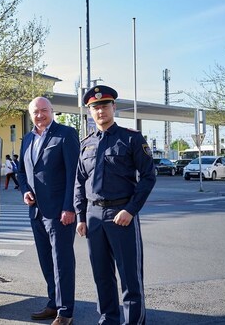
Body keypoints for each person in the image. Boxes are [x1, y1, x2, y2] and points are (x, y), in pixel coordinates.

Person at [73, 85, 156, 325]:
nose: (100, 111)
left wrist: (130, 210)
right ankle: (108, 319)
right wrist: (80, 216)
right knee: (102, 275)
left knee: (130, 276)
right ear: (90, 112)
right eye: (95, 107)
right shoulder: (86, 143)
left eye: (104, 106)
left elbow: (149, 176)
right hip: (93, 215)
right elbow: (79, 182)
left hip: (121, 213)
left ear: (113, 108)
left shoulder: (131, 138)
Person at [16, 97, 80, 325]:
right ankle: (53, 303)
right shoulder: (27, 138)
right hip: (36, 211)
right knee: (46, 261)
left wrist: (70, 207)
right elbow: (21, 172)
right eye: (36, 112)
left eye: (44, 110)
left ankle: (65, 312)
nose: (40, 115)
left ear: (52, 111)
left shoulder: (66, 134)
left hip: (60, 212)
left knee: (62, 262)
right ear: (30, 114)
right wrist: (25, 190)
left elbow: (74, 174)